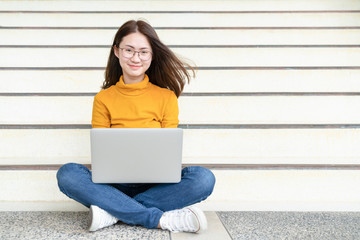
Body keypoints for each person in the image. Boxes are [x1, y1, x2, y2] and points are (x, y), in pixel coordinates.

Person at [56, 20, 216, 233]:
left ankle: (112, 211)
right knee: (67, 174)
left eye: (143, 52)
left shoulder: (166, 97)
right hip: (113, 185)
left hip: (156, 185)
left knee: (203, 179)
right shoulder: (103, 98)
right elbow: (102, 152)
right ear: (116, 51)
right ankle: (158, 218)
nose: (135, 58)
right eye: (129, 50)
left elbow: (167, 151)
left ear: (152, 55)